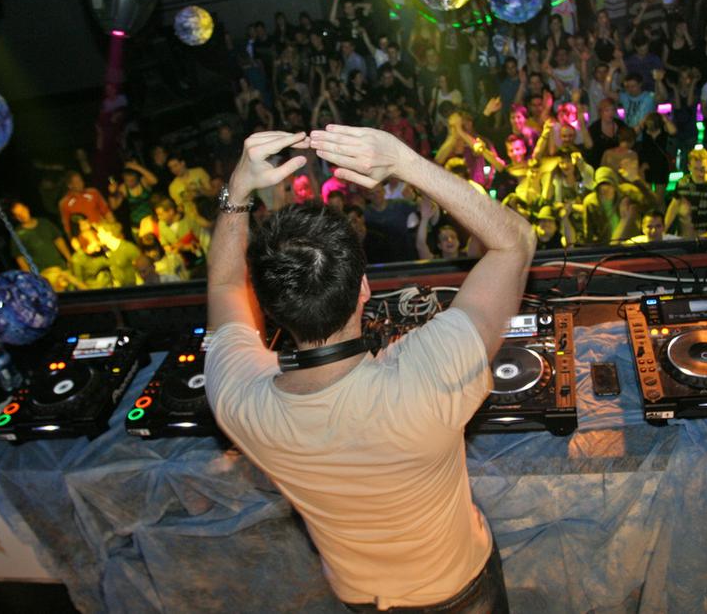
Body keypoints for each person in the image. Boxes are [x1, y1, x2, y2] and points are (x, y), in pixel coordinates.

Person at [205, 127, 533, 611]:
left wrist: (237, 191)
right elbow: (515, 242)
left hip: (356, 596)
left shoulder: (236, 397)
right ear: (363, 288)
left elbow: (223, 288)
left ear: (268, 311)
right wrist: (405, 162)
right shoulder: (432, 373)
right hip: (459, 592)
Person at [664, 148, 707, 238]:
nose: (700, 173)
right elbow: (674, 206)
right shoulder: (682, 183)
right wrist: (664, 229)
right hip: (685, 232)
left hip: (706, 232)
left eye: (702, 168)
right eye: (695, 169)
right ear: (689, 167)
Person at [8, 200, 72, 272]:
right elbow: (20, 259)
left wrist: (69, 258)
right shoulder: (17, 236)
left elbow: (58, 240)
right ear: (15, 218)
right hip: (43, 274)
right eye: (18, 215)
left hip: (61, 267)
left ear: (27, 209)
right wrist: (31, 277)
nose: (22, 215)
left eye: (22, 211)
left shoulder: (44, 223)